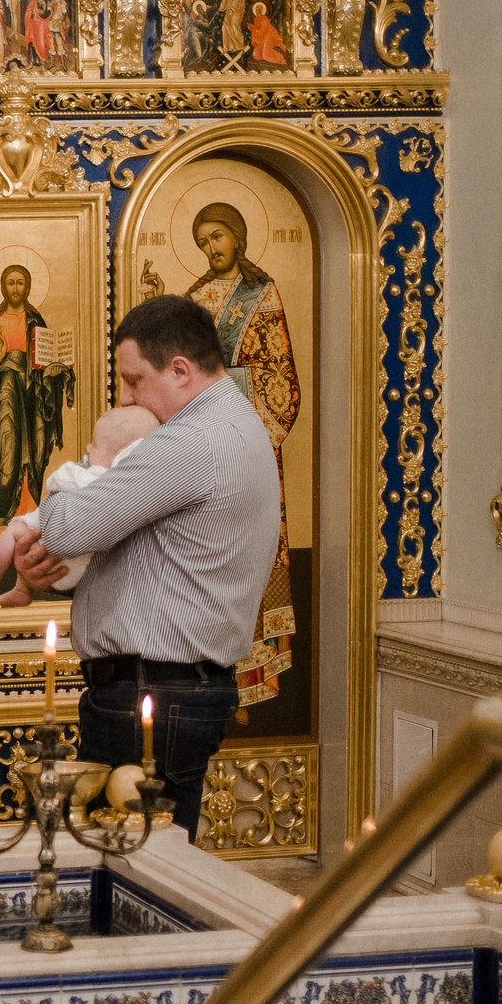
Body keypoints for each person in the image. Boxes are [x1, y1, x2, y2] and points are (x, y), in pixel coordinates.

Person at [10, 296, 280, 841]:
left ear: (180, 370)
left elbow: (66, 526)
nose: (126, 397)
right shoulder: (231, 423)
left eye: (134, 380)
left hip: (153, 691)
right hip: (165, 687)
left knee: (130, 860)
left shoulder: (194, 441)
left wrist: (89, 473)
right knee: (138, 854)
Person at [185, 202, 302, 707]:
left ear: (237, 235)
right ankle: (208, 682)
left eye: (217, 237)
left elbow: (281, 378)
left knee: (250, 553)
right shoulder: (191, 299)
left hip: (250, 446)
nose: (211, 248)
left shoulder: (262, 293)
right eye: (203, 242)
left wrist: (225, 386)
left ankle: (253, 683)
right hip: (201, 449)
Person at [0, 405, 157, 608]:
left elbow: (56, 481)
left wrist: (73, 468)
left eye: (95, 446)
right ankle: (20, 590)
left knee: (16, 531)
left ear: (119, 455)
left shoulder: (91, 477)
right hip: (85, 573)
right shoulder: (135, 486)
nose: (89, 449)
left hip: (56, 564)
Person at [0, 264, 74, 528]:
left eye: (20, 283)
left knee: (34, 457)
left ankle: (30, 521)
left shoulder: (36, 320)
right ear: (2, 287)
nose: (15, 288)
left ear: (28, 287)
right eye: (10, 283)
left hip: (35, 401)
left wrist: (56, 371)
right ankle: (2, 523)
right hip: (5, 398)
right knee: (8, 456)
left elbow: (48, 360)